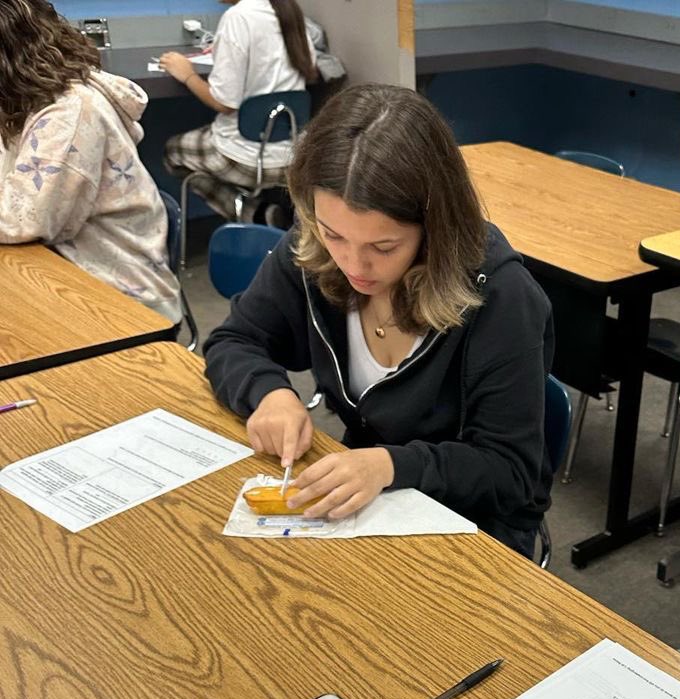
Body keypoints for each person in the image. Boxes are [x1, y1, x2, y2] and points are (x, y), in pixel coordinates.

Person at [203, 84, 554, 555]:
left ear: (435, 229)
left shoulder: (502, 299)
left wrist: (392, 466)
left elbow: (509, 472)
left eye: (384, 247)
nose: (354, 266)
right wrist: (270, 393)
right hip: (368, 495)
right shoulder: (313, 250)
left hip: (473, 524)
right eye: (334, 235)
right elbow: (234, 339)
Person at [0, 0, 180, 324]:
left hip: (121, 302)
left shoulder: (69, 113)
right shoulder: (25, 102)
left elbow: (23, 220)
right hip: (67, 273)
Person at [160, 0, 316, 222]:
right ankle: (268, 210)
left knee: (173, 152)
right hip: (293, 154)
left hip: (248, 158)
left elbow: (224, 103)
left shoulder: (238, 17)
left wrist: (187, 74)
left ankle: (254, 215)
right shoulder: (289, 12)